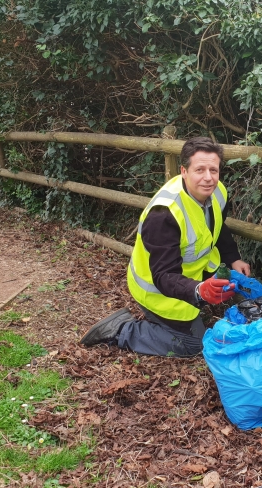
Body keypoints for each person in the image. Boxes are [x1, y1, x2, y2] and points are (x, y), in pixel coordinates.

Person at [80, 137, 251, 356]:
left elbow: (217, 227)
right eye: (200, 170)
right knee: (192, 346)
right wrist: (199, 290)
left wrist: (233, 258)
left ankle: (192, 305)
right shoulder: (164, 214)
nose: (208, 178)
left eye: (213, 170)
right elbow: (163, 275)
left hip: (186, 279)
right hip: (156, 289)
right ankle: (122, 329)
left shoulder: (217, 192)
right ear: (184, 171)